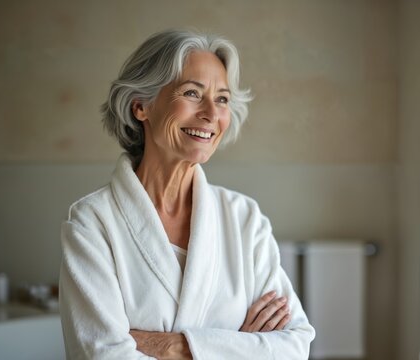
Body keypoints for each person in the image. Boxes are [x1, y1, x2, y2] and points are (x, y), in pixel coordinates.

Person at [59, 29, 315, 359]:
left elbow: (294, 345)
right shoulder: (92, 224)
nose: (211, 113)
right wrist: (237, 345)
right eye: (192, 93)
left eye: (222, 98)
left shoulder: (244, 219)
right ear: (141, 106)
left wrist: (172, 346)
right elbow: (103, 355)